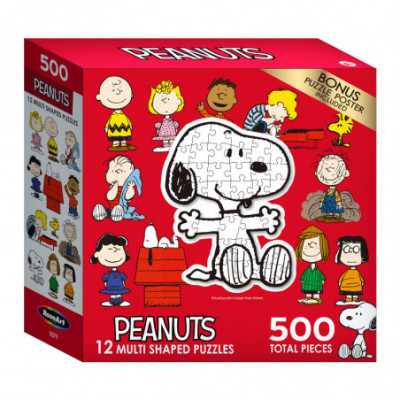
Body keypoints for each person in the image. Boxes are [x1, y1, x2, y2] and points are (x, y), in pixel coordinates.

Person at [92, 155, 145, 222]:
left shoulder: (126, 188)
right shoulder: (113, 188)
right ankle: (101, 214)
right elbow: (110, 197)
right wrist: (114, 187)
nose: (106, 174)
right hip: (110, 209)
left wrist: (130, 188)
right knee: (106, 210)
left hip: (122, 210)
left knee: (119, 209)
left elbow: (128, 197)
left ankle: (117, 215)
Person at [90, 233, 131, 306]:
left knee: (118, 293)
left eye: (119, 249)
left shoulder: (119, 274)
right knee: (112, 293)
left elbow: (123, 279)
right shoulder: (107, 275)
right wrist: (106, 284)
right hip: (110, 287)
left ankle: (119, 301)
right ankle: (112, 302)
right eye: (109, 249)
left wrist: (123, 283)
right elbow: (105, 280)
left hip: (119, 286)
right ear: (97, 254)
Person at [96, 76, 136, 151]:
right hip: (114, 129)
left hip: (124, 130)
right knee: (115, 139)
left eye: (120, 90)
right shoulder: (113, 116)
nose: (117, 92)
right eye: (113, 90)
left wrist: (130, 126)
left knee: (124, 138)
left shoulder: (123, 115)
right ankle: (115, 145)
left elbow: (127, 120)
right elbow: (108, 122)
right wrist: (106, 128)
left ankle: (124, 144)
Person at [295, 226, 329, 305]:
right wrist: (302, 280)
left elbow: (322, 277)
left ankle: (317, 298)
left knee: (316, 292)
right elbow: (303, 277)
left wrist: (322, 281)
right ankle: (308, 298)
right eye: (307, 245)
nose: (311, 247)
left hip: (317, 285)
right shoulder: (307, 270)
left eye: (315, 244)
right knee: (308, 292)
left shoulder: (318, 271)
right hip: (307, 285)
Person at [314, 150, 350, 223]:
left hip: (333, 203)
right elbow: (323, 197)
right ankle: (329, 215)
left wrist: (338, 203)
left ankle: (335, 216)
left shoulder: (335, 192)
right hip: (327, 203)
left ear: (345, 173)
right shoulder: (326, 192)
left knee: (334, 209)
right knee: (328, 209)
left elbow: (337, 197)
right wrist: (321, 203)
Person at [148, 80, 184, 152]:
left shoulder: (173, 123)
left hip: (171, 131)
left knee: (172, 139)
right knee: (165, 139)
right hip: (164, 130)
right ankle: (165, 146)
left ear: (178, 101)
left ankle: (172, 146)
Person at [335, 236, 369, 305]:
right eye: (346, 249)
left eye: (356, 250)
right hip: (348, 287)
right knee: (348, 294)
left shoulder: (357, 273)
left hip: (356, 287)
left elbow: (361, 280)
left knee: (355, 294)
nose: (351, 253)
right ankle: (348, 299)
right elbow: (341, 278)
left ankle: (354, 299)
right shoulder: (347, 272)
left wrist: (340, 283)